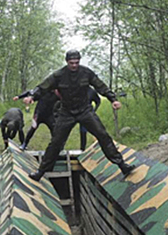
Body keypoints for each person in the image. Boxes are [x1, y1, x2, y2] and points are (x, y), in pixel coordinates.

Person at [25, 49, 135, 181]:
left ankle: (122, 165)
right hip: (66, 113)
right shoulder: (59, 75)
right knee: (56, 142)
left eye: (76, 62)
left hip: (85, 111)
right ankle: (41, 171)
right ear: (67, 62)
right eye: (71, 63)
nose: (74, 65)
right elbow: (42, 87)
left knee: (102, 135)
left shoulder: (86, 72)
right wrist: (32, 97)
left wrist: (113, 99)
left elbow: (101, 86)